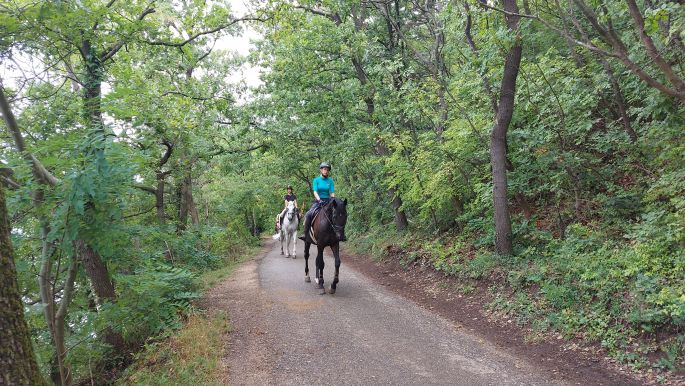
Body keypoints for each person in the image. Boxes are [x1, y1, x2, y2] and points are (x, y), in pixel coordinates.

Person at [300, 162, 335, 243]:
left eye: (327, 170)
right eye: (324, 169)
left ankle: (339, 233)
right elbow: (315, 191)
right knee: (309, 214)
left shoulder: (330, 181)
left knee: (338, 213)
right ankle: (305, 234)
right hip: (318, 201)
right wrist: (319, 200)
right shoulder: (316, 180)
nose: (326, 171)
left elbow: (332, 192)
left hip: (328, 201)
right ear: (321, 170)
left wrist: (333, 199)